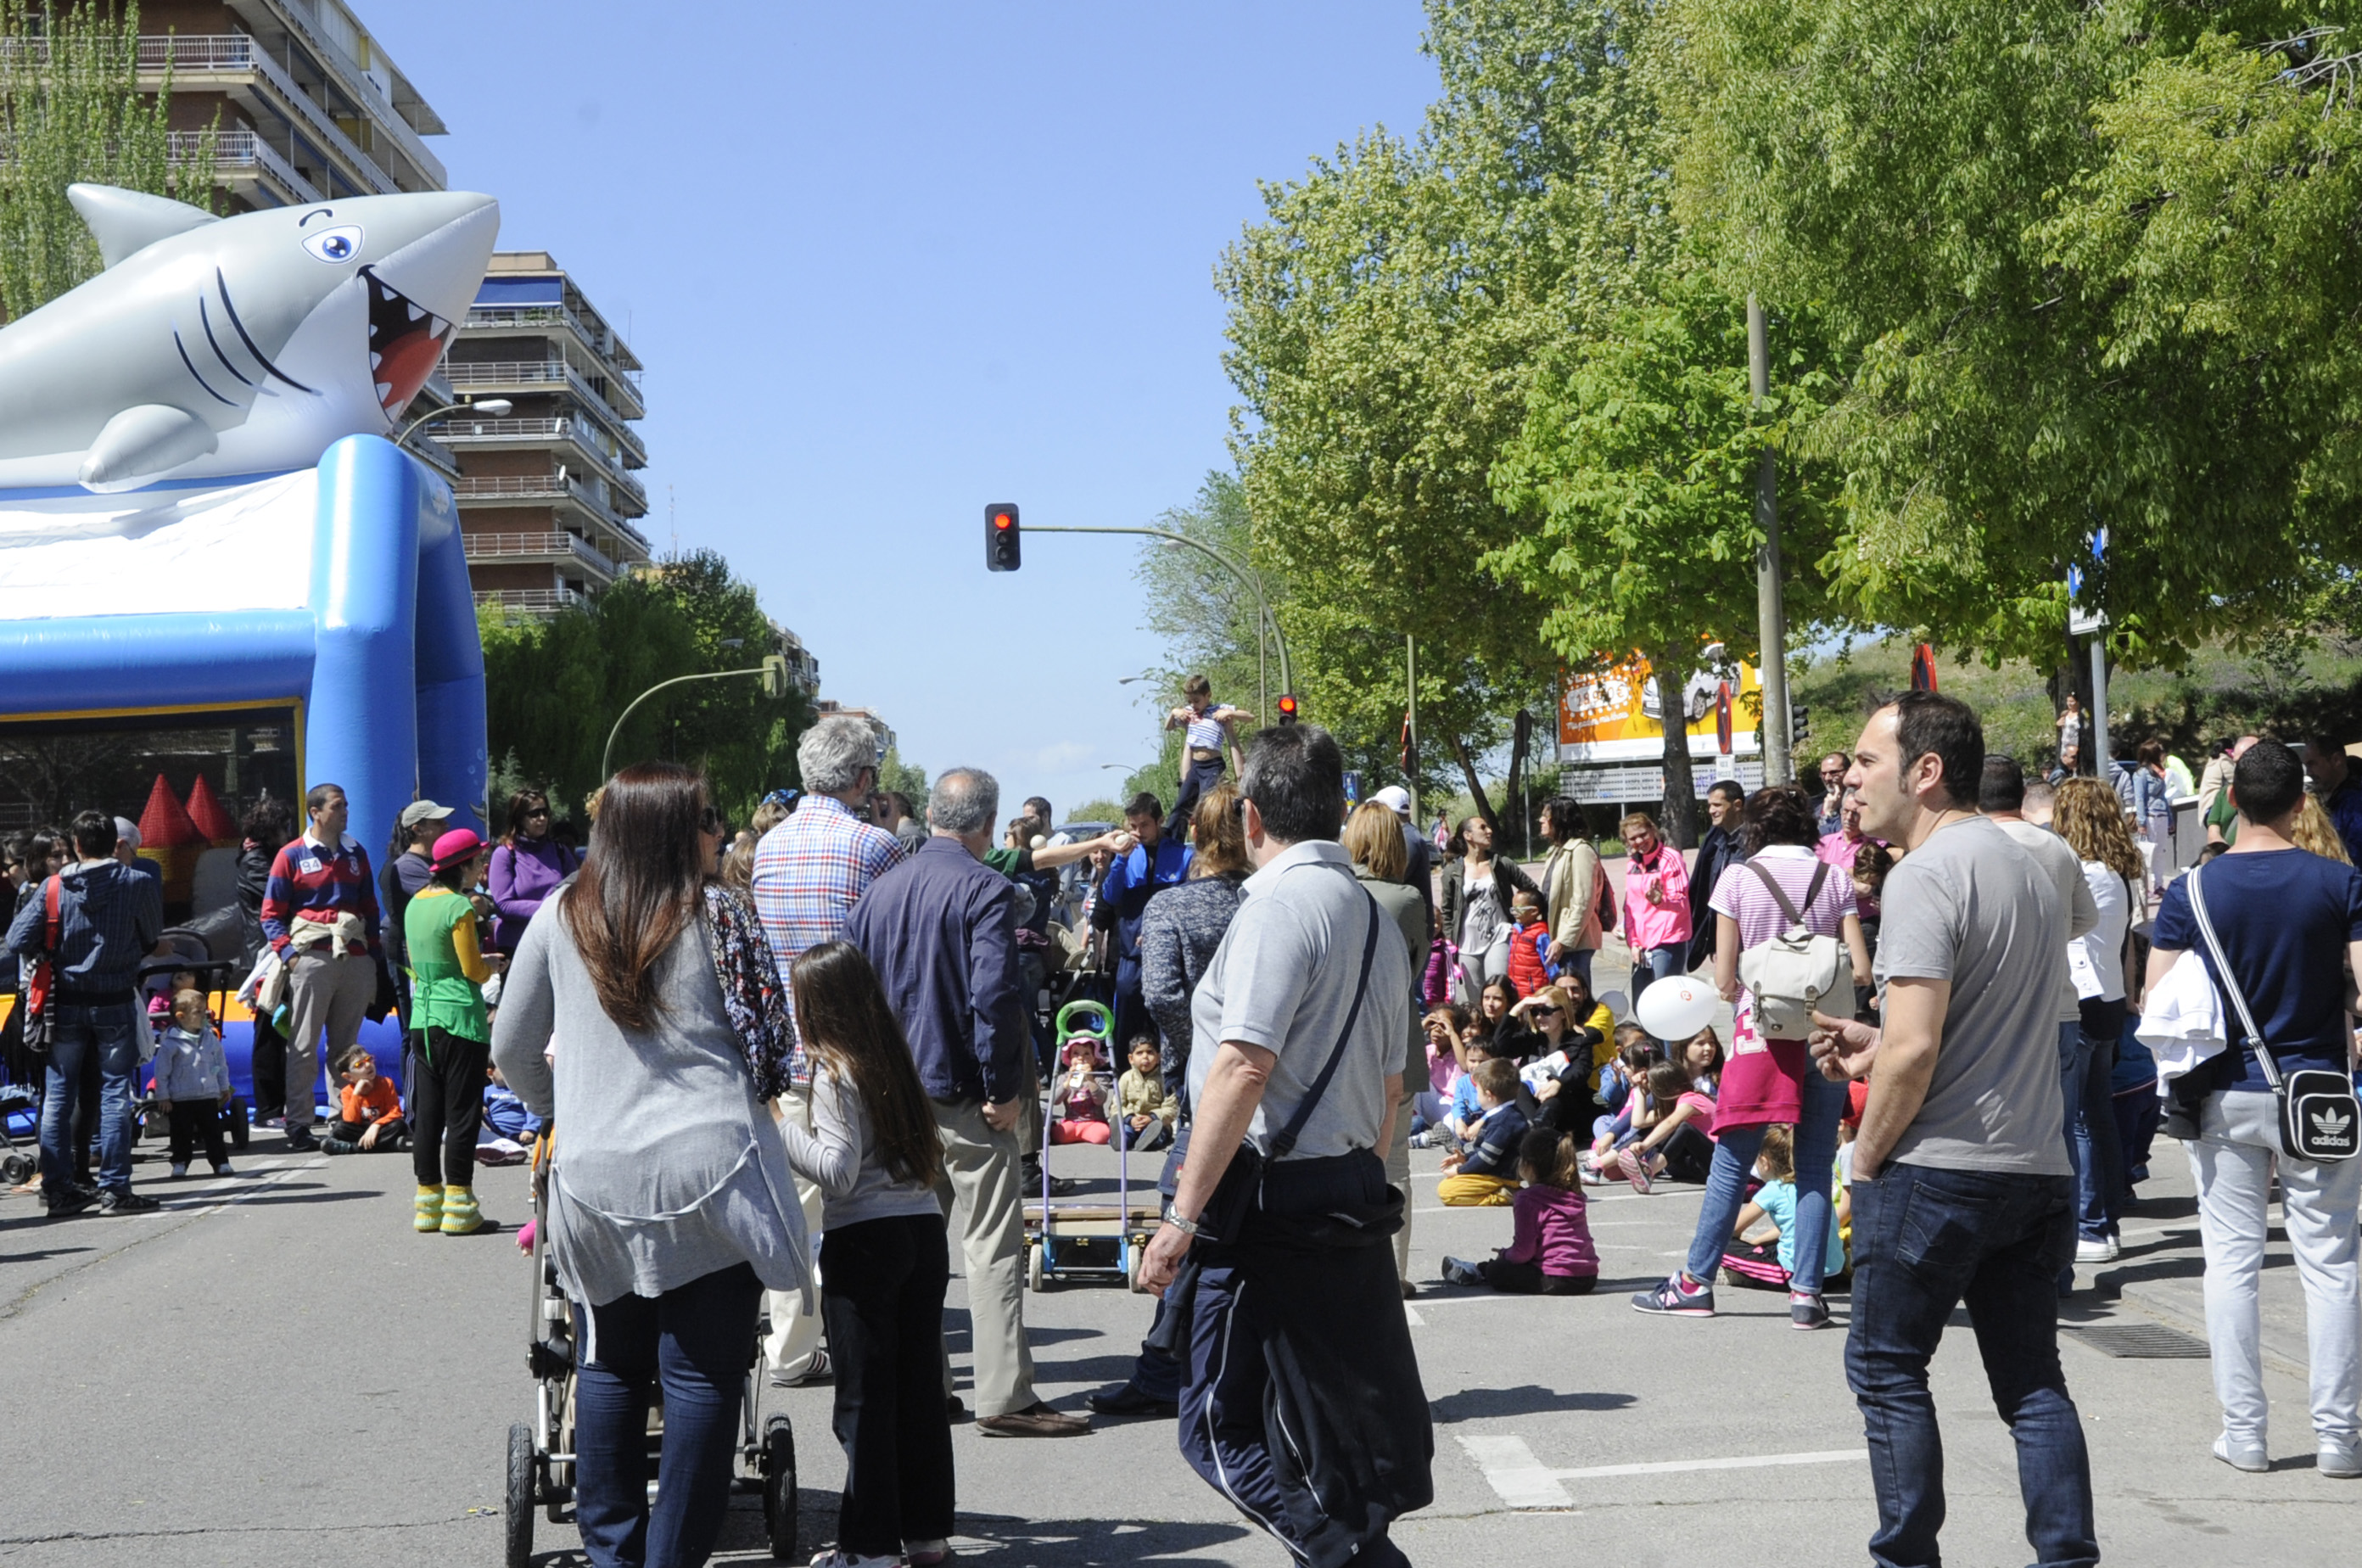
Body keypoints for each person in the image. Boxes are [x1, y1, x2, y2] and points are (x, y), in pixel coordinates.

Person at [491, 762, 814, 1568]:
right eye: (707, 817)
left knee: (607, 1366)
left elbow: (509, 1046)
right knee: (704, 1377)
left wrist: (566, 1109)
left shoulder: (563, 914)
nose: (717, 831)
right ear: (672, 828)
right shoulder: (722, 917)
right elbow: (774, 1054)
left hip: (594, 1176)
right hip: (712, 1175)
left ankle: (613, 1555)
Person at [1808, 691, 2096, 1568]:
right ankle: (2066, 1556)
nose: (1851, 778)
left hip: (1940, 1168)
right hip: (2038, 1165)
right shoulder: (2033, 864)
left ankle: (1907, 1558)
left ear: (1925, 773)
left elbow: (1919, 1046)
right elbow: (1967, 1019)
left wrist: (1863, 1159)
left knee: (1888, 1371)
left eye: (1865, 762)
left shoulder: (1924, 875)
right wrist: (1878, 1040)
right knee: (2033, 1385)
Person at [1138, 723, 1429, 1567]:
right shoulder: (1373, 912)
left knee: (1220, 1429)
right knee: (1319, 1420)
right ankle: (1354, 1549)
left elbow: (1241, 1064)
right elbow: (1389, 1085)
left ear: (1254, 817)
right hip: (1343, 1184)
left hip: (1266, 1198)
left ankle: (1351, 1557)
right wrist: (1361, 1181)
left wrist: (1181, 1218)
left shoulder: (1278, 906)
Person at [845, 766, 1089, 1437]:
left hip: (896, 1095)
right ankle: (1003, 1395)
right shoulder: (985, 888)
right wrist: (1004, 1090)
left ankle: (925, 1386)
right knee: (992, 1246)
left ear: (930, 814)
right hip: (963, 1095)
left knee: (917, 1252)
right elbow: (994, 997)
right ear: (988, 824)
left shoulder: (880, 891)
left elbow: (856, 993)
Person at [2145, 739, 2362, 1479]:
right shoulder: (2340, 883)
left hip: (2225, 1094)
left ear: (2230, 801)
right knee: (2332, 1264)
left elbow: (2157, 1003)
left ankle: (2246, 1434)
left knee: (2231, 1263)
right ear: (2302, 804)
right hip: (2320, 1097)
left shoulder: (2191, 892)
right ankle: (2340, 1437)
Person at [1636, 784, 1868, 1326]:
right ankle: (1808, 1294)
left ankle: (1695, 1282)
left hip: (1758, 1036)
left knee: (1730, 1162)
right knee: (1813, 1166)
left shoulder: (1738, 878)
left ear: (1755, 829)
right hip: (1824, 1032)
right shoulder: (1832, 876)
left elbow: (1722, 977)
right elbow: (1858, 967)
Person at [775, 941, 956, 1568]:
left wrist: (776, 1124)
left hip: (866, 1238)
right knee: (918, 1390)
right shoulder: (892, 1054)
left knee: (864, 1400)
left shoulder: (833, 1068)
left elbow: (838, 1171)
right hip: (922, 1230)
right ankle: (926, 1533)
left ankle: (869, 1545)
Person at [748, 714, 910, 1389]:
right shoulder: (877, 847)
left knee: (795, 1201)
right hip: (857, 1050)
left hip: (789, 1044)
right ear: (865, 779)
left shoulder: (767, 848)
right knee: (866, 1199)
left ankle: (787, 1347)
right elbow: (895, 955)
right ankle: (862, 1335)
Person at [1092, 783, 1252, 1422]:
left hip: (1205, 1080)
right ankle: (1183, 1361)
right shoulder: (1265, 902)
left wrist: (1193, 1048)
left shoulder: (1174, 908)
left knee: (1183, 1213)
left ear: (1193, 836)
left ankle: (1164, 1367)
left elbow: (1159, 994)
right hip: (1276, 1080)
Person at [1982, 754, 2104, 1293]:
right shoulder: (2054, 846)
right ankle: (2060, 1263)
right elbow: (2087, 917)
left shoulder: (1974, 848)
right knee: (2061, 1137)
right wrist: (2048, 935)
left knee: (1994, 1137)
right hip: (2058, 1009)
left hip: (1995, 1015)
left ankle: (2002, 1261)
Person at [7, 809, 163, 1216]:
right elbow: (150, 936)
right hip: (114, 998)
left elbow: (15, 938)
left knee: (58, 1095)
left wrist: (53, 947)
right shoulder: (138, 882)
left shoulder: (55, 887)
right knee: (114, 1094)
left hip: (67, 1003)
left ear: (76, 845)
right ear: (114, 842)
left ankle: (59, 1189)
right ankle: (116, 1189)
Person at [259, 783, 383, 1152]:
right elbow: (270, 914)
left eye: (346, 804)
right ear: (315, 812)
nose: (345, 811)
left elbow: (370, 907)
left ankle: (342, 1117)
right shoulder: (291, 855)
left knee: (347, 1048)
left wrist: (371, 954)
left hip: (354, 955)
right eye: (337, 805)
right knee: (303, 1044)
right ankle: (298, 1122)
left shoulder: (355, 851)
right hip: (311, 955)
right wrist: (290, 956)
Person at [2051, 778, 2143, 1264]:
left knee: (2082, 1120)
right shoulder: (2120, 873)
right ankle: (2105, 1218)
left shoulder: (2081, 873)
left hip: (2082, 997)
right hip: (2107, 995)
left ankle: (2092, 1224)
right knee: (2098, 1115)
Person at [1345, 799, 1430, 1291]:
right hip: (1398, 1038)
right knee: (1395, 1163)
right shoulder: (1407, 900)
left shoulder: (1334, 894)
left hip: (1342, 1045)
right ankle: (1392, 1276)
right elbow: (1415, 969)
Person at [403, 827, 501, 1232]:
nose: (482, 868)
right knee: (462, 1114)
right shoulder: (459, 908)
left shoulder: (415, 903)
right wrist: (493, 965)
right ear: (461, 867)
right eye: (478, 862)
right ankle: (460, 1206)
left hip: (422, 1018)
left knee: (428, 1113)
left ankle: (428, 1202)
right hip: (459, 1018)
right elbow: (472, 970)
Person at [1441, 1128, 1598, 1293]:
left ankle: (1478, 1272)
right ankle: (1479, 1269)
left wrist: (1505, 1254)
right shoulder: (1574, 1193)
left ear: (1528, 1165)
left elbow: (1523, 1252)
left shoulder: (1528, 1198)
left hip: (1557, 1278)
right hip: (1588, 1277)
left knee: (1499, 1270)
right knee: (1511, 1265)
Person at [1094, 792, 1194, 1052]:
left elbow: (1186, 903)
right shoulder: (1124, 856)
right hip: (1131, 956)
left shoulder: (1182, 856)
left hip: (1170, 955)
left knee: (1167, 1018)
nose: (1138, 832)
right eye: (1133, 826)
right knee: (1126, 1015)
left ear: (1160, 820)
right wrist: (1121, 861)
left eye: (1144, 825)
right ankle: (1125, 1079)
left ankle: (1171, 1079)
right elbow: (1111, 895)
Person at [1719, 1123, 1848, 1291]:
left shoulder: (1774, 1189)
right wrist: (1756, 1242)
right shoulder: (1813, 1184)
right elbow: (1795, 1226)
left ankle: (1741, 1277)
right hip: (1834, 1273)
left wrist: (1745, 1245)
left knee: (1719, 1245)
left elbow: (1731, 1230)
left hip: (1794, 1275)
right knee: (1773, 1246)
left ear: (1765, 1163)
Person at [1439, 812, 1540, 1005]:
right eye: (1483, 828)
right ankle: (1484, 1035)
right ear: (1468, 836)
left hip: (1500, 936)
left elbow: (1532, 890)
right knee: (1477, 1002)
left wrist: (1523, 915)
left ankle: (1503, 1033)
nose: (1489, 831)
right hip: (1466, 943)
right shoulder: (1453, 871)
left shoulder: (1501, 864)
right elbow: (1447, 911)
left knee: (1497, 992)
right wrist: (1450, 943)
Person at [234, 798, 294, 1125]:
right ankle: (269, 1109)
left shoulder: (267, 856)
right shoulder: (255, 861)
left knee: (282, 1026)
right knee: (269, 1030)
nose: (289, 833)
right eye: (284, 827)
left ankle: (283, 1104)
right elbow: (280, 895)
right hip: (265, 956)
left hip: (279, 953)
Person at [378, 800, 451, 1028]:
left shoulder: (441, 863)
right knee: (415, 1029)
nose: (446, 826)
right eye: (438, 822)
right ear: (417, 829)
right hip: (407, 954)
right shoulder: (400, 866)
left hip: (436, 952)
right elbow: (449, 904)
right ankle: (414, 1066)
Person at [153, 988, 234, 1179]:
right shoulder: (171, 1043)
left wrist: (223, 1086)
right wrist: (163, 1096)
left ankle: (221, 1162)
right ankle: (180, 1162)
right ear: (181, 1017)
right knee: (181, 1134)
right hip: (181, 1097)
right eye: (198, 1012)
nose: (204, 1015)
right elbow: (162, 1072)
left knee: (214, 1132)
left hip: (207, 1094)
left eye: (205, 1010)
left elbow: (220, 1064)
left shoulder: (210, 1038)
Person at [489, 788, 579, 955]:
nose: (542, 818)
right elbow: (503, 905)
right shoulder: (505, 854)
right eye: (535, 813)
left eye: (545, 812)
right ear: (519, 818)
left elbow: (578, 894)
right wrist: (550, 908)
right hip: (516, 946)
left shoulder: (560, 852)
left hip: (556, 942)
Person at [1162, 674, 1252, 840]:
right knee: (1181, 804)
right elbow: (1168, 727)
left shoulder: (1217, 711)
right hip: (1196, 767)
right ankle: (1173, 840)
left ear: (1208, 696)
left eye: (1196, 701)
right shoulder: (1189, 713)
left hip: (1212, 765)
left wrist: (1229, 713)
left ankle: (1209, 837)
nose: (1193, 705)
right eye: (1190, 701)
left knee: (1207, 804)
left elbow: (1249, 717)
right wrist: (1174, 712)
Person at [1619, 812, 1692, 1014]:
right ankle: (1652, 1047)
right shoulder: (1632, 864)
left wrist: (1661, 900)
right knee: (1642, 1007)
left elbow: (1681, 899)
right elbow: (1630, 907)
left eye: (1643, 834)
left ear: (1653, 831)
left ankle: (1672, 1046)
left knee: (1666, 1007)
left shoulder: (1670, 858)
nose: (1640, 841)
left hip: (1667, 942)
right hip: (1642, 946)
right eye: (1633, 838)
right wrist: (1633, 942)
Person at [1611, 1059, 1719, 1191]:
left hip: (1715, 1164)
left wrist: (1644, 1146)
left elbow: (1671, 1123)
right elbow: (1639, 1122)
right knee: (1656, 1129)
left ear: (1667, 1088)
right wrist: (1641, 1090)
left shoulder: (1692, 1099)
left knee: (1684, 1129)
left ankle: (1648, 1171)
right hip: (1696, 1167)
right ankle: (1604, 1165)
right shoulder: (1677, 1106)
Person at [1536, 796, 1607, 991]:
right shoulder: (1556, 851)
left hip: (1576, 944)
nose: (1541, 820)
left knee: (1575, 999)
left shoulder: (1581, 851)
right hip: (1557, 939)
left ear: (1560, 819)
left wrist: (1563, 940)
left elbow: (1584, 901)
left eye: (1546, 816)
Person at [1437, 1056, 1528, 1206]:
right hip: (1494, 1169)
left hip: (1501, 1174)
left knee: (1446, 1191)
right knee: (1452, 1183)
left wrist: (1460, 1171)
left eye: (1477, 1092)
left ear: (1489, 1095)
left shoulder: (1503, 1122)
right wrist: (1465, 1158)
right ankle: (1502, 1190)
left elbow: (1487, 1159)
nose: (1476, 1098)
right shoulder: (1503, 1114)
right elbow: (1485, 1152)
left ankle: (1504, 1195)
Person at [1687, 780, 1746, 971]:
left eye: (1717, 805)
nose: (1711, 810)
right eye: (1710, 805)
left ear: (1737, 805)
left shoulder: (1752, 844)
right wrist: (1715, 942)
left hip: (1748, 940)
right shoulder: (1718, 844)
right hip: (1725, 938)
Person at [320, 1048, 406, 1157]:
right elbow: (350, 1120)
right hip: (359, 1130)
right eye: (359, 1065)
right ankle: (388, 1146)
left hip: (380, 1129)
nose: (368, 1065)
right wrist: (357, 1094)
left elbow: (396, 1112)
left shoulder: (386, 1083)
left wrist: (376, 1125)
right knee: (339, 1128)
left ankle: (350, 1147)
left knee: (399, 1125)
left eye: (369, 1059)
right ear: (348, 1076)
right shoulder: (347, 1092)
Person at [2303, 736, 2362, 868]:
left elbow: (2355, 860)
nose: (2308, 772)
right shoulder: (2315, 800)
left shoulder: (2356, 802)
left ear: (2336, 760)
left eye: (2312, 764)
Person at [1047, 1037, 1114, 1145]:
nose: (1081, 1058)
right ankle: (1073, 1132)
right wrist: (1068, 1082)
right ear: (1069, 1058)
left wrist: (1090, 1080)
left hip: (1093, 1122)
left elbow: (1100, 1100)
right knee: (1058, 1134)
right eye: (1076, 1054)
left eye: (1087, 1054)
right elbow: (1054, 1101)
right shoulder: (1064, 1078)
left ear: (1094, 1059)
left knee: (1103, 1135)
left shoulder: (1100, 1078)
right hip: (1072, 1122)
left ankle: (1084, 1133)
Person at [2130, 739, 2175, 893]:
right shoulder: (2141, 774)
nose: (2163, 754)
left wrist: (2170, 819)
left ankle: (2158, 884)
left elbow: (2163, 797)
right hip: (2150, 816)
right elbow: (2140, 798)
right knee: (2150, 852)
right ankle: (2145, 886)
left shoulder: (2156, 773)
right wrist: (2141, 822)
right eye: (2160, 751)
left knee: (2161, 851)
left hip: (2162, 815)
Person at [1117, 1037, 1176, 1152]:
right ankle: (1123, 1140)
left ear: (1158, 1057)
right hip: (1133, 1120)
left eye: (1150, 1052)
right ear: (1131, 1058)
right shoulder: (1126, 1078)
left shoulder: (1164, 1079)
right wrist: (1131, 1119)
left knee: (1159, 1134)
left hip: (1156, 1123)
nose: (1145, 1057)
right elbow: (1117, 1104)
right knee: (1125, 1131)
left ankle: (1148, 1141)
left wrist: (1152, 1117)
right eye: (1139, 1053)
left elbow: (1171, 1107)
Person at [1503, 886, 1552, 997]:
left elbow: (1550, 965)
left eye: (1518, 909)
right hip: (1516, 991)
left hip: (1535, 992)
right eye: (1513, 909)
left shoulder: (1541, 934)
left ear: (1534, 911)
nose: (1514, 913)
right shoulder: (1516, 930)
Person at [1816, 751, 1852, 836]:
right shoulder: (1813, 805)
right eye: (1823, 774)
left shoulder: (1860, 802)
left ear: (1849, 771)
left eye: (1834, 773)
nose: (1827, 778)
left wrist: (1831, 813)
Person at [2057, 694, 2086, 762]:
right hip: (2065, 745)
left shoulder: (2082, 714)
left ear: (2078, 702)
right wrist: (2058, 725)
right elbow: (2060, 728)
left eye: (2072, 701)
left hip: (2076, 745)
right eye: (2068, 701)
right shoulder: (2065, 714)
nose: (2069, 704)